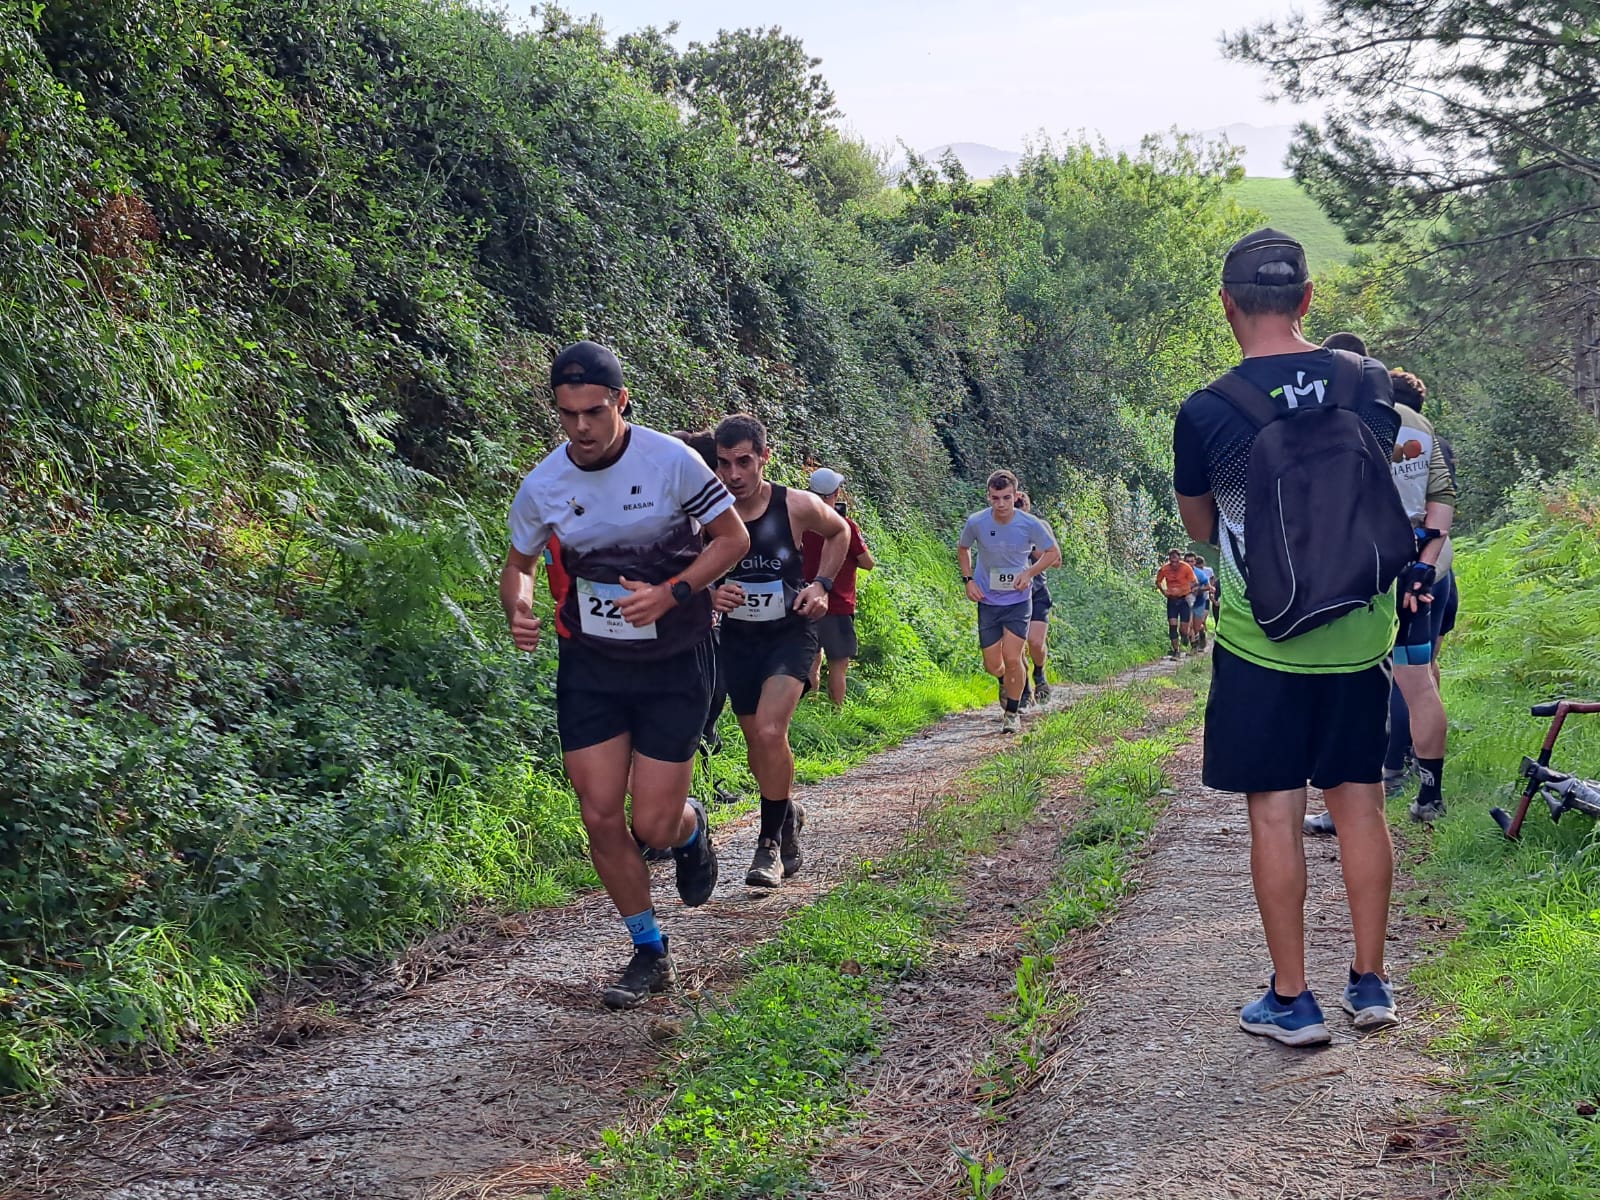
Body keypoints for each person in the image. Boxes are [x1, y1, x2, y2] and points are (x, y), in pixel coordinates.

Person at [1173, 229, 1411, 1045]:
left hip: (1260, 642)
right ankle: (1371, 984)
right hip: (1362, 636)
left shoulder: (1207, 411)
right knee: (1362, 808)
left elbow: (1202, 528)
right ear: (1309, 299)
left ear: (1227, 305)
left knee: (1275, 814)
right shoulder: (1369, 383)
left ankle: (1292, 998)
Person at [502, 342, 749, 1011]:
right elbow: (518, 564)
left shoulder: (672, 461)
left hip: (675, 660)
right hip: (592, 663)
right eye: (566, 415)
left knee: (655, 820)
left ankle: (691, 833)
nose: (580, 428)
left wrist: (673, 591)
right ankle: (648, 949)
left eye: (593, 412)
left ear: (621, 402)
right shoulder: (544, 483)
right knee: (600, 815)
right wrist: (519, 608)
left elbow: (732, 540)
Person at [1305, 367, 1457, 835]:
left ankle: (1349, 800)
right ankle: (1429, 797)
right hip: (1427, 563)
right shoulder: (1425, 429)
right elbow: (1442, 503)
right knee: (1420, 679)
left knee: (1359, 682)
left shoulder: (1352, 417)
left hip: (1371, 565)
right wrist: (1427, 562)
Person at [710, 415, 850, 889]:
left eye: (744, 462)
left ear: (764, 457)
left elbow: (841, 533)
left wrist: (822, 584)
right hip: (738, 640)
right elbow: (684, 565)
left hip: (790, 633)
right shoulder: (706, 512)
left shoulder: (795, 504)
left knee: (771, 730)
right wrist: (710, 592)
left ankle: (769, 845)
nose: (734, 475)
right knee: (758, 744)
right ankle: (786, 811)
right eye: (724, 463)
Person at [958, 470, 1061, 734]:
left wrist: (1029, 573)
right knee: (993, 664)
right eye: (995, 498)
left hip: (1018, 600)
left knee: (1013, 657)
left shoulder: (1029, 523)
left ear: (1015, 496)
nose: (1000, 504)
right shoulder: (977, 522)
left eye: (1006, 498)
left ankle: (1012, 712)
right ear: (988, 497)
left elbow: (1053, 554)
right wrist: (968, 580)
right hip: (988, 600)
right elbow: (963, 548)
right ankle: (1006, 682)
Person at [801, 467, 876, 708]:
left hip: (806, 601)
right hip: (838, 606)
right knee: (838, 665)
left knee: (810, 661)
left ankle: (808, 710)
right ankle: (837, 712)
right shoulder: (845, 526)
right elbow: (868, 563)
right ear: (835, 493)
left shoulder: (800, 525)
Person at [1016, 491, 1054, 704]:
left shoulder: (1039, 527)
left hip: (1037, 592)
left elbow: (1056, 560)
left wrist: (1030, 546)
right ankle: (1023, 689)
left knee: (1035, 642)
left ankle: (1039, 673)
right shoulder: (998, 527)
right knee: (1016, 645)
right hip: (1011, 596)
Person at [1154, 548, 1197, 658]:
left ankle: (1186, 637)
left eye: (1176, 561)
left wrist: (1188, 592)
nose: (1174, 564)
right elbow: (1158, 581)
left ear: (1180, 558)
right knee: (1172, 626)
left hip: (1184, 599)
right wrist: (1164, 592)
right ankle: (1176, 651)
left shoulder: (1186, 568)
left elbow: (1194, 582)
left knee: (1184, 629)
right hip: (1172, 600)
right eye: (1172, 561)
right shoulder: (1164, 569)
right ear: (1169, 559)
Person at [1187, 552, 1215, 651]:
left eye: (1192, 561)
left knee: (1197, 626)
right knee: (1188, 625)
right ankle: (1194, 646)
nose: (1190, 564)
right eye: (1187, 561)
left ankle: (1201, 632)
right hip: (1186, 601)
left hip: (1200, 600)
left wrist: (1198, 589)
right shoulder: (1181, 572)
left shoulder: (1201, 573)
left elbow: (1209, 585)